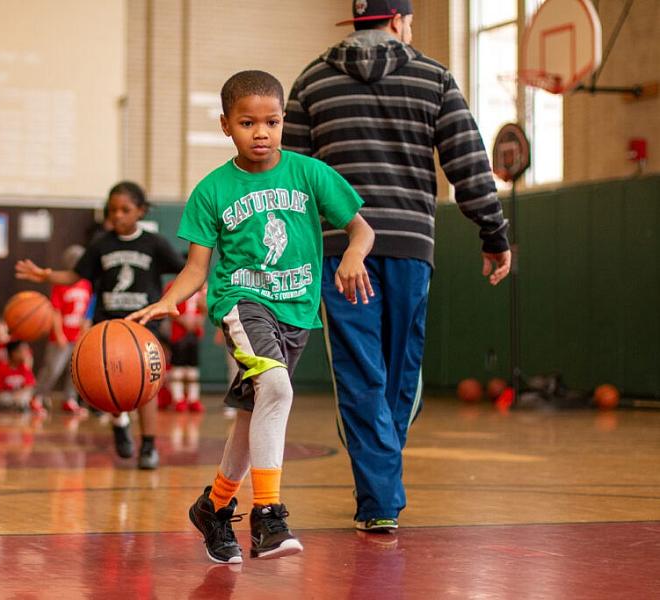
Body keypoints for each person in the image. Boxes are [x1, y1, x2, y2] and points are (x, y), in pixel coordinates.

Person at [282, 0, 511, 532]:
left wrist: (291, 255)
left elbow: (291, 177)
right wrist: (494, 232)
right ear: (399, 21)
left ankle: (379, 495)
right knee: (399, 374)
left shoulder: (312, 80)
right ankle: (380, 499)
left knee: (361, 374)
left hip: (340, 252)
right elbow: (467, 160)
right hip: (410, 245)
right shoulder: (433, 77)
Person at [130, 70, 375, 563]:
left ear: (284, 122)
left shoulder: (309, 174)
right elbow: (197, 267)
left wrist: (353, 254)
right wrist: (169, 299)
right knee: (278, 388)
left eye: (272, 121)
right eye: (247, 123)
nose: (261, 132)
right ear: (226, 126)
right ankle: (268, 516)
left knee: (253, 414)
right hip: (243, 304)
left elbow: (361, 229)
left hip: (298, 310)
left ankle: (214, 508)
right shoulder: (212, 190)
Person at [15, 181, 185, 470]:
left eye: (125, 210)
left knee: (148, 386)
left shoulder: (154, 244)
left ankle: (148, 444)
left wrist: (169, 301)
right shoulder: (101, 244)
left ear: (141, 211)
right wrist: (45, 276)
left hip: (144, 325)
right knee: (110, 386)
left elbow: (185, 272)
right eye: (113, 210)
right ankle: (119, 422)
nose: (118, 215)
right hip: (108, 326)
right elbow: (75, 275)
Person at [34, 245, 92, 413]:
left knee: (75, 371)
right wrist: (58, 333)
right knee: (53, 368)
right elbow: (56, 310)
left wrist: (85, 331)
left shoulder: (87, 284)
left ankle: (70, 399)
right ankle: (37, 396)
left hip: (78, 334)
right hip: (62, 335)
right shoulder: (61, 284)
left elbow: (87, 311)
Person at [165, 280, 207, 413]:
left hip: (194, 333)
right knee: (177, 367)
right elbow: (167, 305)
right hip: (178, 332)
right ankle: (178, 399)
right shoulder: (173, 285)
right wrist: (180, 319)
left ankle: (193, 399)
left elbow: (206, 307)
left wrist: (200, 319)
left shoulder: (201, 285)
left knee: (192, 368)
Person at [0, 340, 37, 410]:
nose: (25, 354)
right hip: (6, 396)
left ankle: (19, 408)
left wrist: (18, 394)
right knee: (3, 398)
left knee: (25, 397)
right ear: (13, 353)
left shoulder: (25, 368)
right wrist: (11, 395)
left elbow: (29, 386)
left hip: (19, 396)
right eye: (21, 351)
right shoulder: (1, 367)